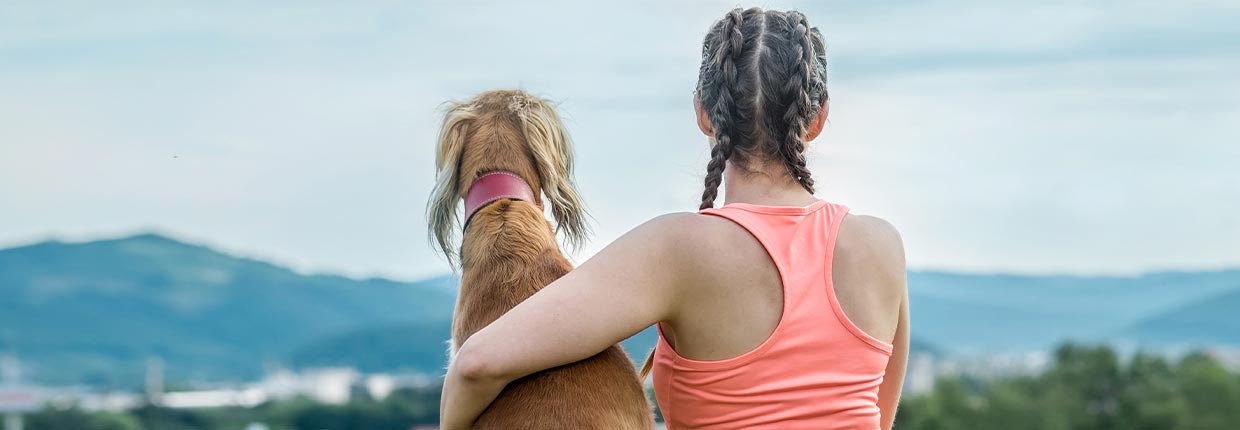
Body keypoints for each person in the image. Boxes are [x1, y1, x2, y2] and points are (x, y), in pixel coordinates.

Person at [440, 7, 909, 430]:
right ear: (818, 118)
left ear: (704, 114)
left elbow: (476, 363)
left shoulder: (679, 248)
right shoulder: (883, 245)